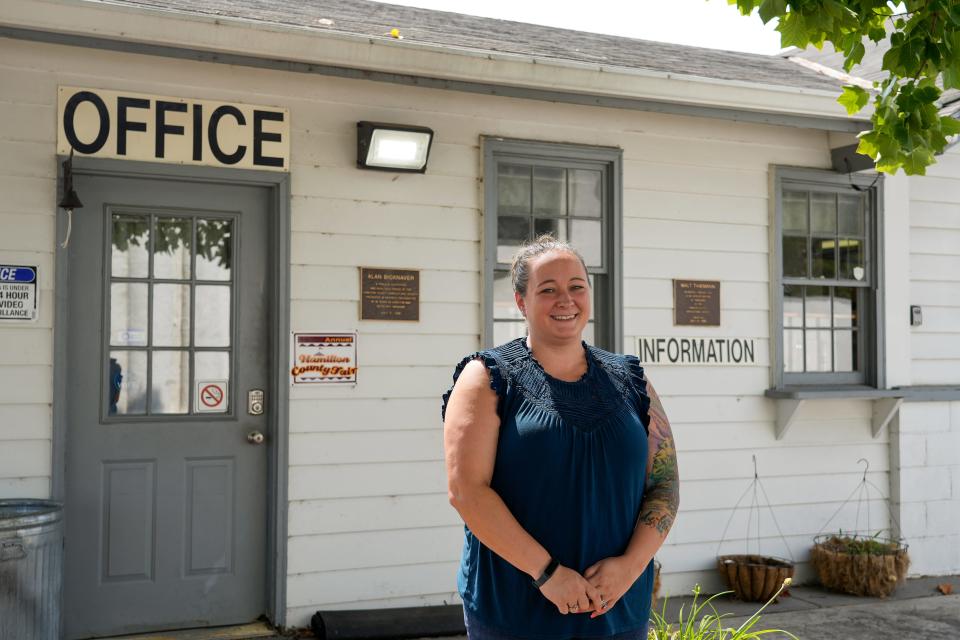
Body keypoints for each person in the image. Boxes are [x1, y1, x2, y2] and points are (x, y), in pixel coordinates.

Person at [442, 235, 679, 640]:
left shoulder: (631, 379)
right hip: (516, 611)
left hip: (618, 611)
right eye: (547, 290)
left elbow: (663, 484)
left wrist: (630, 568)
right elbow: (466, 490)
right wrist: (547, 573)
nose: (565, 300)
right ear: (521, 302)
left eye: (576, 287)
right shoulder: (487, 377)